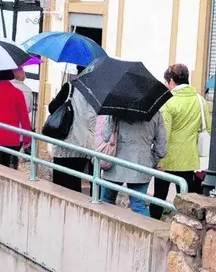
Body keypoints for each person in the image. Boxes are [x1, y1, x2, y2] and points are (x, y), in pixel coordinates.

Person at [153, 63, 207, 217]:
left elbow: (163, 134)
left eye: (167, 82)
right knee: (186, 201)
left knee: (159, 197)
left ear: (171, 81)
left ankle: (154, 222)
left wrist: (158, 159)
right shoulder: (200, 100)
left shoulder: (168, 101)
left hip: (167, 158)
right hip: (189, 158)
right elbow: (207, 127)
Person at [96, 110, 168, 217]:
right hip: (141, 165)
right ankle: (145, 228)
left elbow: (106, 136)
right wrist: (151, 161)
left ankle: (104, 226)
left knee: (106, 201)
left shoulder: (116, 109)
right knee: (139, 206)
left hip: (115, 164)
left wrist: (111, 118)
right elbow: (161, 149)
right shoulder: (155, 113)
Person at [49, 65, 99, 193]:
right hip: (83, 145)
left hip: (65, 142)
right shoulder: (96, 93)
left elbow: (52, 108)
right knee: (75, 184)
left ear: (78, 70)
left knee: (60, 185)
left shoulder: (69, 87)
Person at [0, 68, 32, 169]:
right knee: (8, 169)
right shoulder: (17, 93)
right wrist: (27, 138)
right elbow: (24, 117)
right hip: (12, 137)